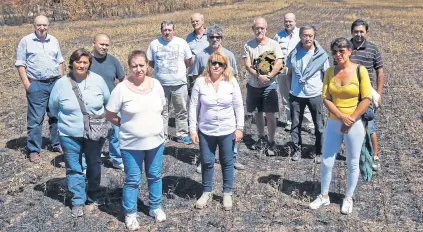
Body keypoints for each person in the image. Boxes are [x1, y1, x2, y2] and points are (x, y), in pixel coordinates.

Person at [309, 37, 372, 214]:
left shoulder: (361, 71)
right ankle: (324, 196)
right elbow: (325, 98)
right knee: (327, 161)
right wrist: (341, 117)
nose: (338, 55)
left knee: (352, 162)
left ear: (350, 51)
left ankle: (348, 197)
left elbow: (366, 98)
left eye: (341, 51)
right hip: (334, 122)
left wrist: (350, 119)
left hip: (355, 123)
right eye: (335, 52)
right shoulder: (329, 72)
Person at [106, 50, 167, 230]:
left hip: (156, 142)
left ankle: (155, 207)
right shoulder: (121, 89)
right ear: (129, 67)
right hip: (131, 144)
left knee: (155, 176)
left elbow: (162, 108)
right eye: (134, 66)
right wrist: (125, 124)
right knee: (133, 179)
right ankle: (130, 213)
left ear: (148, 65)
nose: (138, 69)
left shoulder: (156, 85)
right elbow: (110, 114)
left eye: (142, 65)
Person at [49, 48, 110, 218]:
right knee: (74, 167)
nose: (81, 65)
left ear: (89, 64)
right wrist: (69, 121)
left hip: (94, 133)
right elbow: (53, 108)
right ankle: (77, 200)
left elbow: (108, 101)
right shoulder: (61, 84)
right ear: (72, 62)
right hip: (69, 135)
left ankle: (94, 195)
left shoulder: (98, 81)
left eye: (85, 62)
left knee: (94, 164)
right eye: (78, 61)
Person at [189, 51, 244, 211]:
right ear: (209, 64)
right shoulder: (200, 82)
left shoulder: (231, 81)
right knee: (207, 162)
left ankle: (227, 193)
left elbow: (238, 106)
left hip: (227, 130)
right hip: (206, 131)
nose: (217, 66)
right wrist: (193, 129)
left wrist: (239, 128)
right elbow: (193, 107)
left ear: (225, 66)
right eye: (214, 63)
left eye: (221, 64)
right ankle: (207, 191)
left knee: (227, 162)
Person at [191, 24, 245, 172]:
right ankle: (205, 160)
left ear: (221, 38)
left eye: (217, 37)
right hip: (207, 99)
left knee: (229, 129)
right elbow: (195, 76)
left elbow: (235, 76)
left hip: (226, 98)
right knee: (206, 132)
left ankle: (231, 158)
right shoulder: (201, 56)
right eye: (212, 37)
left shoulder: (229, 55)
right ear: (207, 38)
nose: (214, 39)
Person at [15, 15, 64, 163]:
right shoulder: (26, 41)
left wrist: (60, 79)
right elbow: (20, 64)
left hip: (54, 83)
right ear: (34, 25)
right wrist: (27, 84)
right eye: (39, 25)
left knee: (56, 116)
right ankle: (34, 150)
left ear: (48, 25)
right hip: (36, 84)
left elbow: (60, 60)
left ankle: (56, 144)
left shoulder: (54, 40)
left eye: (45, 25)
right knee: (36, 119)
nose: (42, 28)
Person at [286, 25, 329, 163]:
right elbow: (289, 73)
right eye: (305, 35)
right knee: (295, 125)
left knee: (319, 126)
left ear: (314, 37)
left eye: (310, 35)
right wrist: (290, 89)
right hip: (296, 95)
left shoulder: (321, 56)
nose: (307, 38)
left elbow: (326, 75)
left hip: (315, 94)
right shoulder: (294, 54)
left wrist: (324, 93)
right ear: (300, 36)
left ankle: (319, 152)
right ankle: (296, 150)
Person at [147, 20, 193, 144]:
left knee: (181, 110)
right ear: (161, 30)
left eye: (169, 30)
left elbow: (189, 60)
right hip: (161, 85)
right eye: (165, 30)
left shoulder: (181, 43)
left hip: (179, 84)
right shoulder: (154, 44)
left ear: (173, 30)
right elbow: (151, 62)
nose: (167, 32)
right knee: (162, 111)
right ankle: (162, 135)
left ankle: (182, 134)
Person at [242, 17, 283, 156]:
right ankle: (260, 137)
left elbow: (279, 62)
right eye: (256, 28)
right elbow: (247, 64)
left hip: (269, 86)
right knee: (257, 113)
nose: (259, 30)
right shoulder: (248, 45)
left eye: (262, 28)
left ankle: (271, 141)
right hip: (254, 85)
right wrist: (258, 76)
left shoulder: (274, 44)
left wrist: (269, 76)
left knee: (270, 114)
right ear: (253, 29)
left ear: (266, 28)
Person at [349, 19, 384, 171]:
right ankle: (354, 154)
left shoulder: (373, 49)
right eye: (356, 31)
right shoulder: (346, 47)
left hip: (366, 94)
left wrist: (378, 93)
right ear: (352, 32)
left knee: (369, 125)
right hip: (349, 94)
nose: (359, 34)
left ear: (366, 33)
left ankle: (375, 156)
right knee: (350, 125)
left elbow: (380, 71)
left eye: (361, 31)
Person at [90, 33, 126, 170]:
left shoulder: (113, 61)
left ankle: (117, 159)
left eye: (106, 45)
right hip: (92, 103)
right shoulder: (86, 61)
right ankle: (92, 159)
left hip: (111, 103)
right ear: (94, 43)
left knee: (115, 133)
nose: (104, 47)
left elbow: (123, 80)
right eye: (101, 44)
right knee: (93, 132)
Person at [273, 13, 314, 131]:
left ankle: (309, 124)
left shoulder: (301, 34)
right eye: (286, 21)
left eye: (290, 21)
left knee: (303, 95)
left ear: (295, 22)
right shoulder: (278, 36)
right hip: (283, 71)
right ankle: (290, 121)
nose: (288, 23)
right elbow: (274, 52)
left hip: (298, 72)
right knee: (286, 98)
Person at [186, 13, 209, 93]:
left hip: (209, 73)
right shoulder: (189, 37)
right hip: (193, 74)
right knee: (194, 100)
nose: (194, 23)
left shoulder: (211, 35)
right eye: (193, 21)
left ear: (202, 21)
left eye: (197, 21)